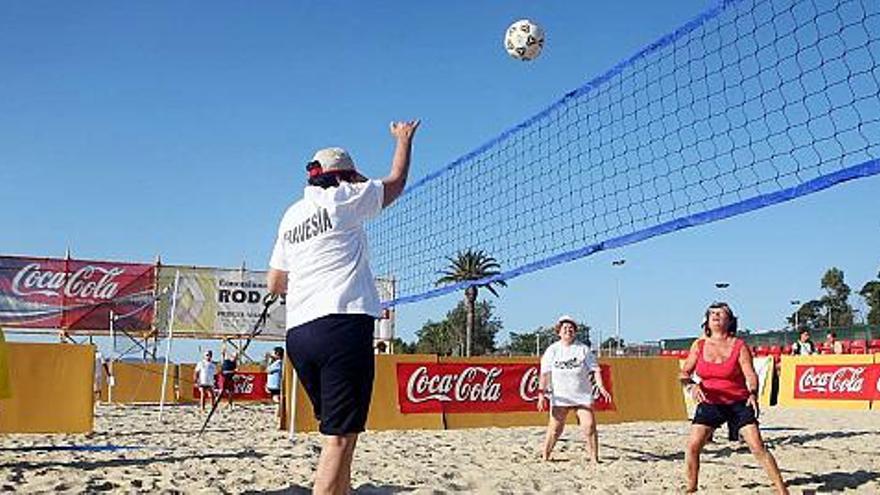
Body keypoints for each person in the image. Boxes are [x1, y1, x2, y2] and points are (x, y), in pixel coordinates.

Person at [267, 120, 420, 495]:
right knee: (338, 438)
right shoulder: (344, 198)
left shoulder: (291, 215)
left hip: (299, 334)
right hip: (341, 325)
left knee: (342, 433)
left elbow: (274, 283)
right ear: (346, 177)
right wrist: (403, 139)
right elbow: (396, 181)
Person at [680, 302, 787, 494]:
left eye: (721, 313)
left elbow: (750, 374)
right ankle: (691, 487)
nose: (716, 316)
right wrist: (691, 385)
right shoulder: (700, 344)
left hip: (738, 401)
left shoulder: (738, 345)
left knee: (757, 447)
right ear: (707, 320)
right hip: (710, 402)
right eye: (712, 313)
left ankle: (781, 489)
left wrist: (753, 394)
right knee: (693, 446)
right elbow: (684, 372)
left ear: (730, 321)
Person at [537, 315, 611, 463]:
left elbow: (595, 370)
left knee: (589, 426)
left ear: (575, 331)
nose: (568, 330)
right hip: (561, 396)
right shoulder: (552, 350)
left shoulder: (583, 349)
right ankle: (545, 455)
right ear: (559, 332)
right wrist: (541, 395)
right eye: (565, 328)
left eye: (571, 328)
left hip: (581, 395)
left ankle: (594, 458)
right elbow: (544, 374)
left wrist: (601, 386)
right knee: (555, 429)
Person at [266, 346, 284, 417]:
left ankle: (278, 413)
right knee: (275, 398)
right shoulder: (277, 362)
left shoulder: (278, 363)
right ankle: (278, 413)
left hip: (275, 384)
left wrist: (269, 359)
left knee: (276, 399)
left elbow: (268, 370)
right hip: (274, 384)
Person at [219, 344, 238, 409]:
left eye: (236, 357)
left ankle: (230, 404)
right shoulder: (226, 361)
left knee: (231, 391)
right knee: (221, 391)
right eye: (235, 356)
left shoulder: (234, 363)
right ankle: (217, 403)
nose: (235, 358)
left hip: (230, 378)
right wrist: (224, 347)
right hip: (224, 377)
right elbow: (224, 372)